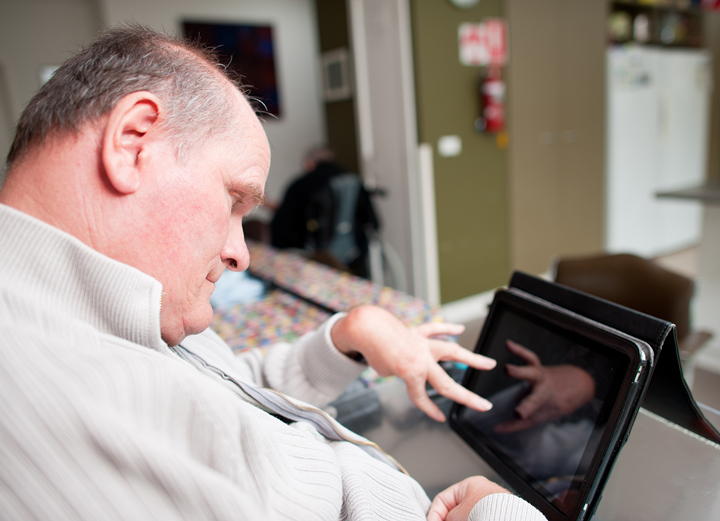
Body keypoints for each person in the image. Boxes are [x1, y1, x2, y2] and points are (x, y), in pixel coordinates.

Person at [0, 25, 546, 521]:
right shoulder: (44, 397)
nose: (242, 253)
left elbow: (227, 395)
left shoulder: (114, 309)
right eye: (234, 199)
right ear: (132, 142)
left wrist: (340, 341)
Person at [270, 146, 379, 276]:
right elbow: (374, 222)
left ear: (309, 163)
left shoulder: (301, 185)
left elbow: (281, 227)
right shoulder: (354, 181)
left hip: (315, 262)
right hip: (355, 258)